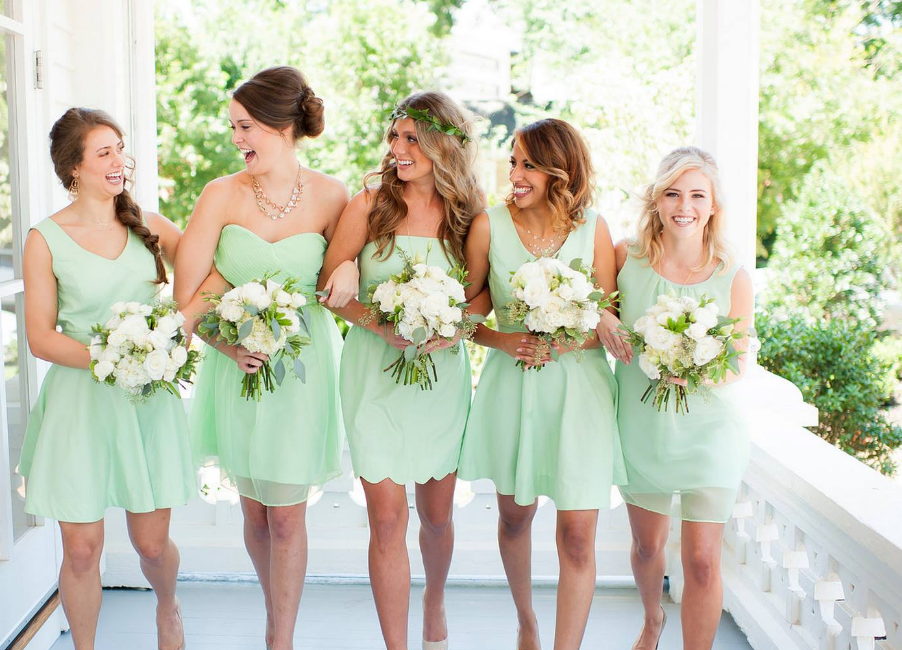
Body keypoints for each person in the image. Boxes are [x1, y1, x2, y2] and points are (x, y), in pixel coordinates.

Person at [173, 66, 356, 650]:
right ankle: (273, 609)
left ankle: (281, 637)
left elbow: (345, 274)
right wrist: (228, 344)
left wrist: (348, 265)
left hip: (304, 369)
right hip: (238, 366)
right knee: (254, 515)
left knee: (287, 515)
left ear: (281, 126)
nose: (236, 140)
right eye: (232, 128)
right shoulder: (220, 194)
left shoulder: (332, 196)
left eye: (245, 127)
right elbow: (190, 292)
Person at [20, 107, 195, 650]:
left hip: (146, 403)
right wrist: (111, 360)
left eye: (120, 148)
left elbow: (207, 278)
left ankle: (168, 605)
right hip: (80, 405)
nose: (120, 161)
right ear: (73, 168)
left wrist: (178, 331)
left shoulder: (151, 226)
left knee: (150, 544)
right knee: (80, 549)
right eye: (104, 153)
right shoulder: (44, 239)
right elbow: (41, 338)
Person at [317, 91, 485, 650]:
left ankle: (434, 600)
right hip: (374, 372)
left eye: (413, 139)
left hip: (440, 376)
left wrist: (454, 327)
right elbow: (331, 291)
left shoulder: (470, 213)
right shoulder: (369, 204)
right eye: (395, 136)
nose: (398, 149)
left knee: (436, 518)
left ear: (445, 145)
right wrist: (381, 325)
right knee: (386, 520)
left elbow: (481, 296)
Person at [459, 118, 626, 650]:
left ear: (561, 170)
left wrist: (570, 341)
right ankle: (527, 621)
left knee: (577, 534)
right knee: (514, 517)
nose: (515, 174)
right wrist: (504, 342)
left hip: (579, 392)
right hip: (514, 385)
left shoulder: (593, 228)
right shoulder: (489, 225)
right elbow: (464, 316)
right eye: (513, 161)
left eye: (528, 164)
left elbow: (607, 321)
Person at [597, 146, 753, 650]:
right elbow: (598, 312)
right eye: (673, 193)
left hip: (710, 433)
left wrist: (696, 373)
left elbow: (737, 361)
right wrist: (605, 320)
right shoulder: (627, 258)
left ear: (712, 206)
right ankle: (651, 619)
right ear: (658, 201)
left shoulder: (734, 276)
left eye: (696, 195)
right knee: (648, 548)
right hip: (642, 427)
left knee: (703, 559)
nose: (684, 205)